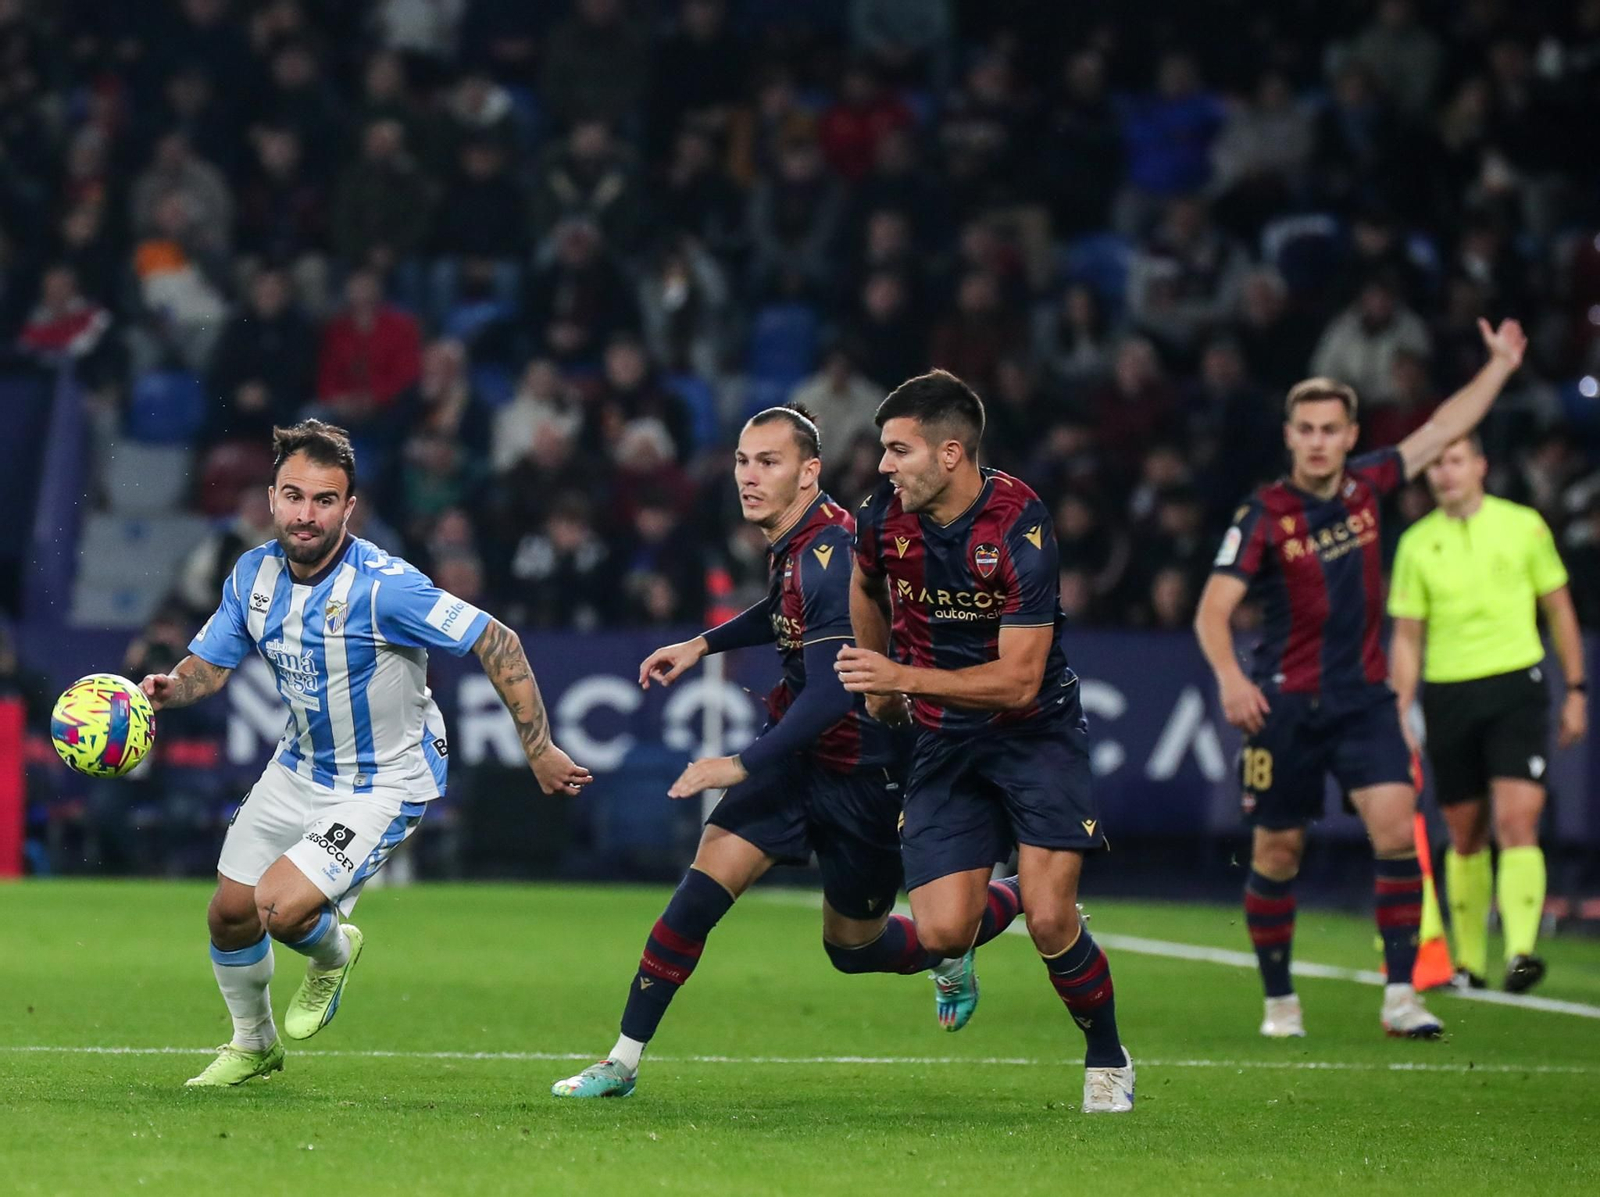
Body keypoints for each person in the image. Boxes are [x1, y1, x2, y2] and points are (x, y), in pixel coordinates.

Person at [552, 404, 1022, 1099]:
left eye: (768, 462)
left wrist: (741, 762)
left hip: (867, 772)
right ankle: (621, 1060)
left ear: (809, 472)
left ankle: (998, 909)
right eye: (742, 461)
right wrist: (701, 643)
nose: (749, 476)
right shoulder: (796, 542)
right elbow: (782, 612)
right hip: (800, 762)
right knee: (695, 899)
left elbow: (835, 691)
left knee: (853, 947)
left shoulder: (835, 554)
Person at [140, 420, 590, 1087]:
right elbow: (211, 664)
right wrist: (171, 688)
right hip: (296, 766)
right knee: (228, 913)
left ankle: (332, 952)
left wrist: (541, 746)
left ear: (349, 507)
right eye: (293, 496)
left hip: (384, 780)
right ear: (271, 498)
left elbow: (498, 641)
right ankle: (254, 1042)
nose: (305, 513)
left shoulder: (385, 586)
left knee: (280, 907)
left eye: (325, 500)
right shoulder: (252, 574)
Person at [1192, 317, 1527, 1041]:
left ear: (1350, 435)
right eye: (1305, 428)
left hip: (1364, 699)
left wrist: (1499, 366)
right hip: (1281, 703)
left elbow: (1442, 428)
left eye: (1330, 428)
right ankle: (1280, 1000)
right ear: (1291, 436)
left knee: (1396, 832)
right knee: (1277, 853)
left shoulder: (1369, 483)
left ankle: (1402, 995)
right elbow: (1212, 610)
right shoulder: (1263, 513)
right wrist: (1227, 678)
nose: (1317, 440)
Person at [836, 371, 1135, 1115]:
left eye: (897, 449)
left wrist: (901, 673)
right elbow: (864, 586)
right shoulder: (882, 518)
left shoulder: (1019, 524)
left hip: (1035, 735)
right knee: (939, 931)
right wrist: (878, 688)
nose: (882, 465)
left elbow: (1019, 681)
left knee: (1051, 919)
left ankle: (1107, 1054)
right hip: (945, 740)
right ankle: (977, 929)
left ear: (949, 454)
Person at [1387, 433, 1585, 993]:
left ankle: (1521, 949)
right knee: (1465, 832)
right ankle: (1469, 964)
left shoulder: (1524, 526)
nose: (1446, 474)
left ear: (1480, 465)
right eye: (1437, 465)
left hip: (1515, 685)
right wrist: (1400, 708)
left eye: (1456, 461)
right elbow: (1406, 638)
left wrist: (1576, 688)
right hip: (1449, 692)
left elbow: (1560, 609)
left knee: (1517, 819)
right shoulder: (1417, 544)